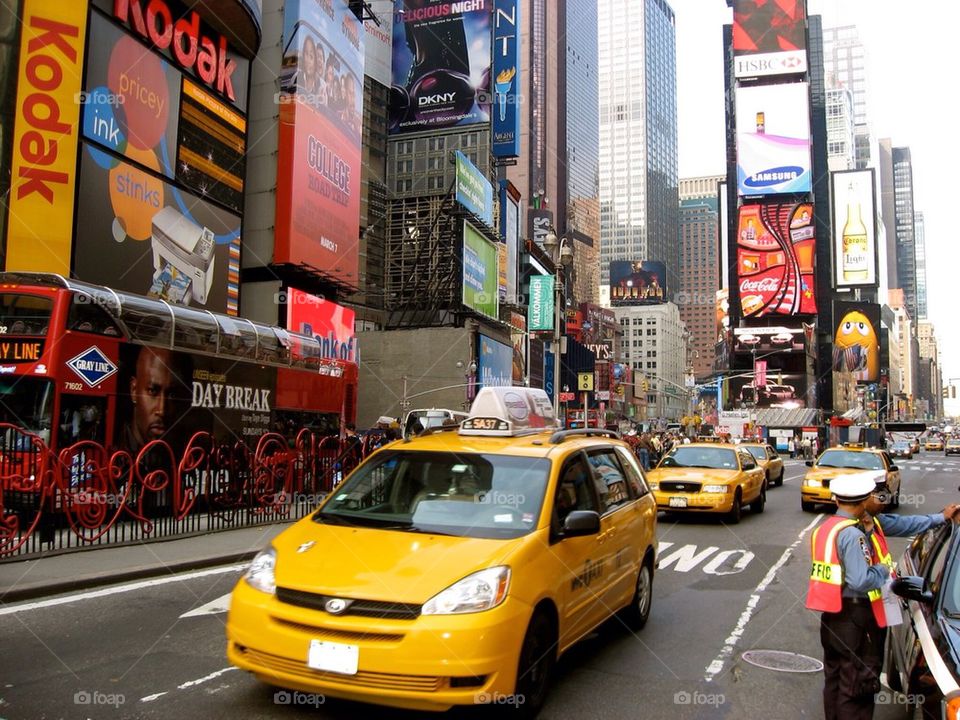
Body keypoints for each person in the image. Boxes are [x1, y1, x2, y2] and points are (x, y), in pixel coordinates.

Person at [806, 472, 960, 720]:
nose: (883, 501)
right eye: (877, 496)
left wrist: (939, 517)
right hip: (858, 619)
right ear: (864, 500)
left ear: (837, 500)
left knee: (836, 681)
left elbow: (902, 526)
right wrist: (883, 568)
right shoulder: (854, 534)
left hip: (833, 617)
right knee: (857, 687)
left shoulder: (829, 528)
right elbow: (860, 579)